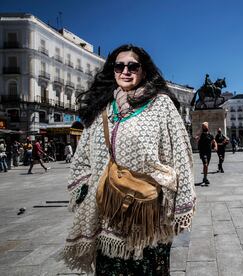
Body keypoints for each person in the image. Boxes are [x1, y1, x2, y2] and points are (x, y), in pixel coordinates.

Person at [61, 44, 196, 275]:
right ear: (112, 72)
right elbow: (82, 157)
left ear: (143, 71)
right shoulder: (103, 109)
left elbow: (181, 155)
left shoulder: (160, 105)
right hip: (109, 215)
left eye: (133, 66)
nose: (126, 71)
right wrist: (88, 189)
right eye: (119, 66)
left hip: (150, 213)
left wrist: (181, 204)